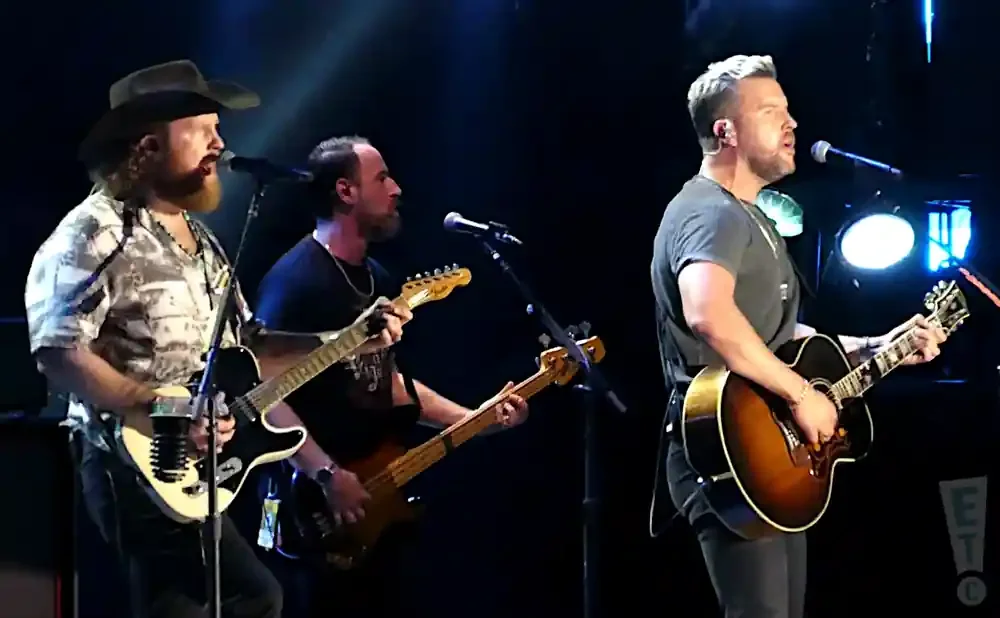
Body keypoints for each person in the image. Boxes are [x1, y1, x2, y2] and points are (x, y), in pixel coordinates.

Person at [23, 61, 405, 618]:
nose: (219, 143)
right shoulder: (94, 232)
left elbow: (249, 348)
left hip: (197, 467)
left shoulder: (202, 241)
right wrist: (159, 405)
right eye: (202, 129)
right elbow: (56, 351)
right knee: (225, 600)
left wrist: (348, 339)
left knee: (239, 600)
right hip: (129, 463)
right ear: (147, 145)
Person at [650, 54, 949, 618]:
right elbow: (708, 313)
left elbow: (774, 333)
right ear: (726, 131)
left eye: (788, 111)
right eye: (771, 112)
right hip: (727, 448)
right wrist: (799, 393)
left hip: (767, 451)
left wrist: (875, 345)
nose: (791, 124)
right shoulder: (708, 212)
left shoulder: (752, 216)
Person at [251, 135, 530, 618]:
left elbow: (389, 385)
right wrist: (327, 473)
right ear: (345, 191)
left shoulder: (377, 278)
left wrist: (474, 418)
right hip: (313, 511)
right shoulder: (295, 283)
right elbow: (264, 394)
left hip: (375, 499)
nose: (397, 188)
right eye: (382, 178)